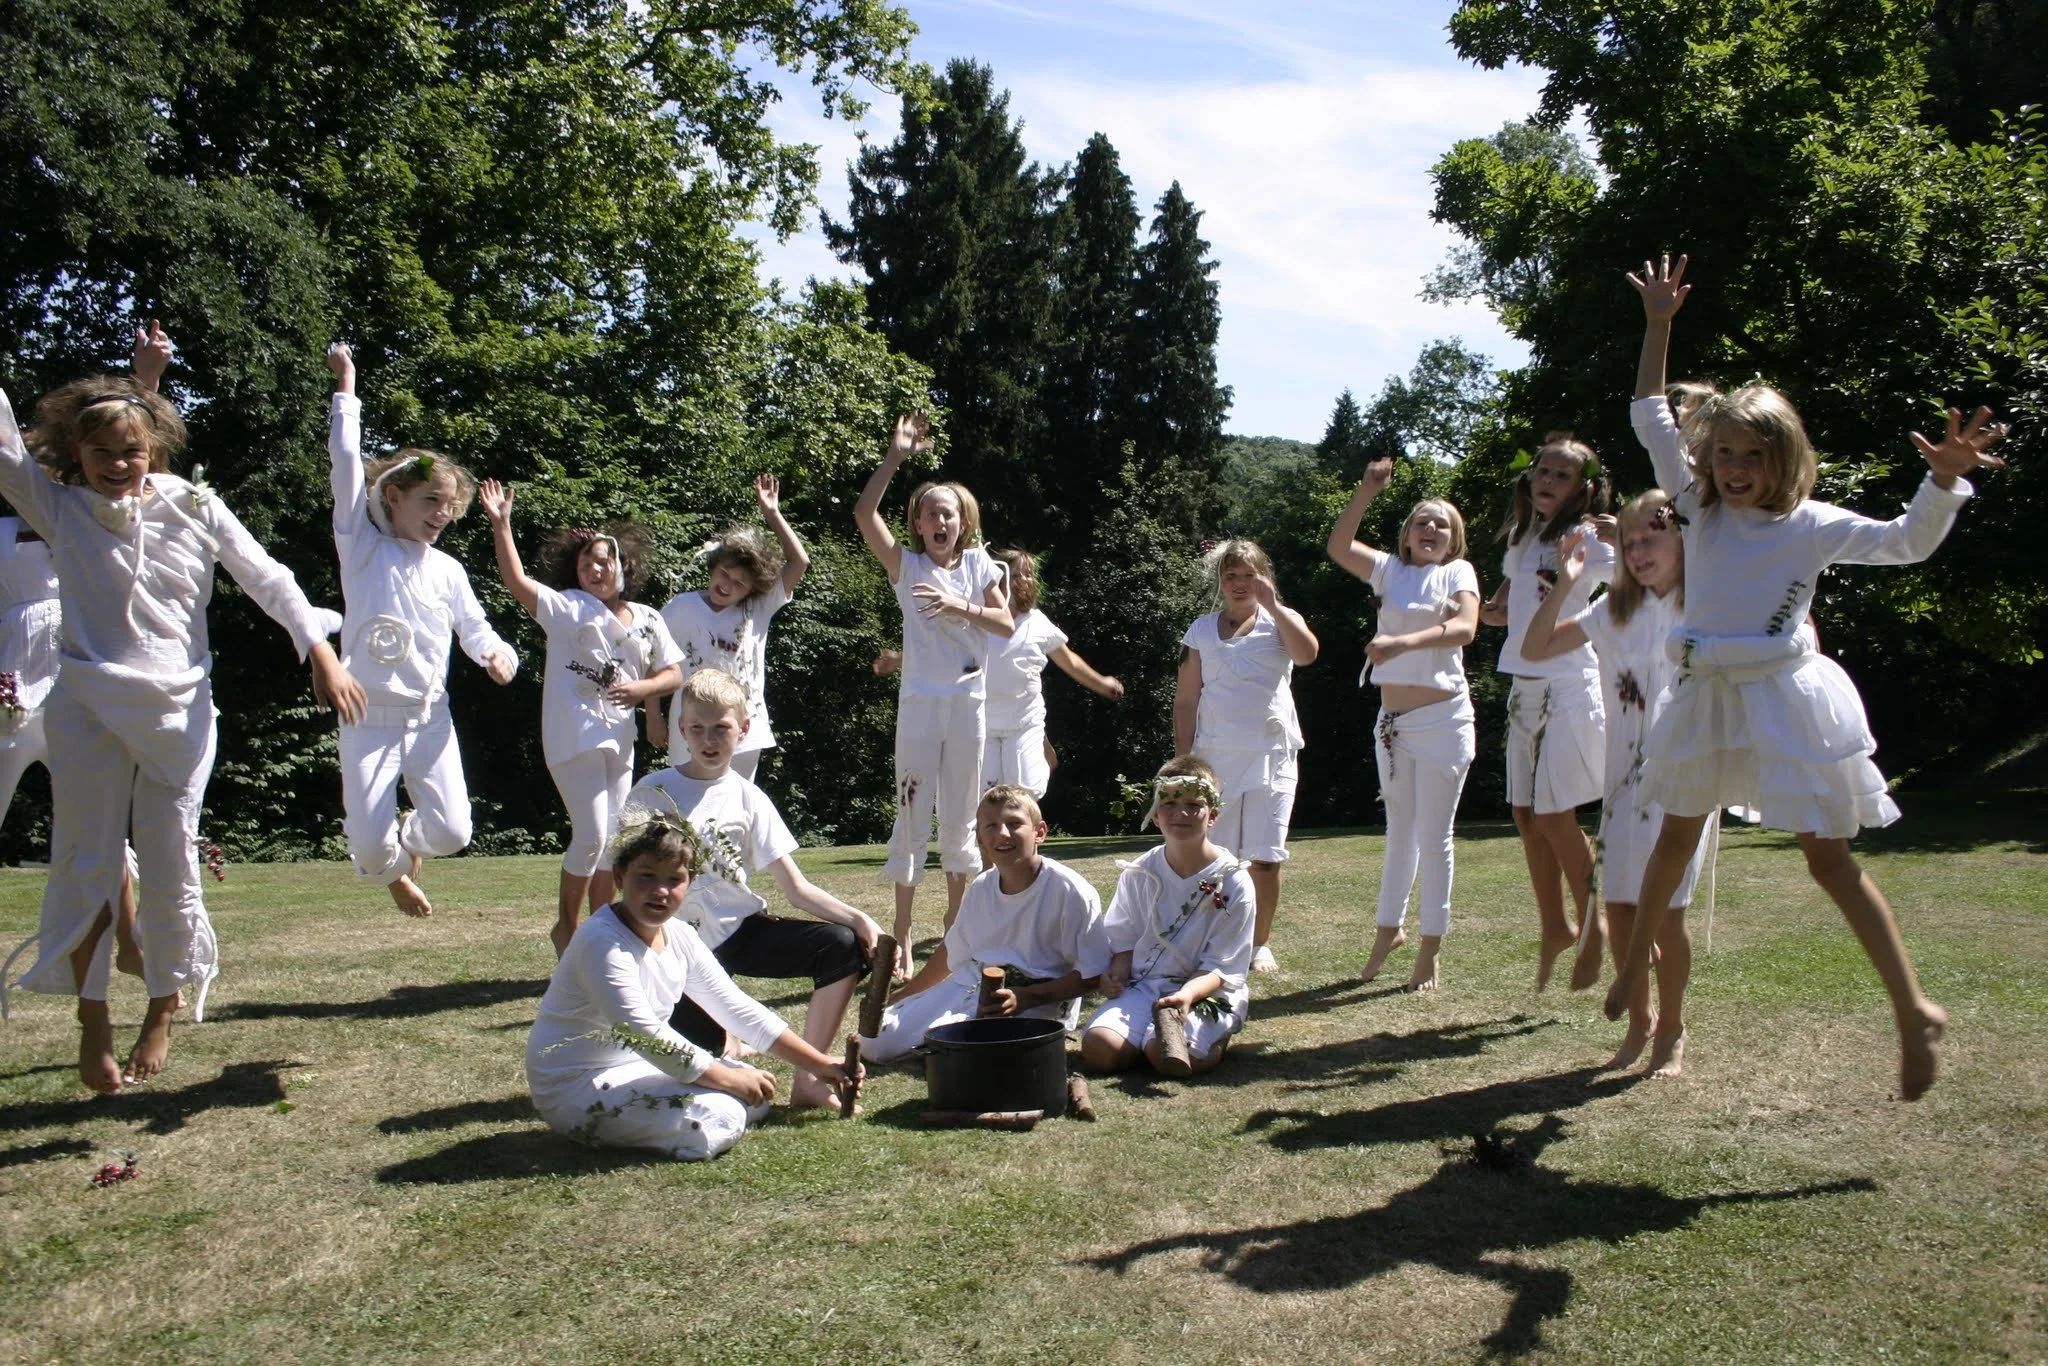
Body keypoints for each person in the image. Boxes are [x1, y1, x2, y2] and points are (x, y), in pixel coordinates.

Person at [1606, 253, 2004, 1099]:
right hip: (1706, 692)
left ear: (1783, 457)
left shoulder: (1812, 524)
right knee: (1671, 837)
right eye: (1723, 453)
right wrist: (1657, 328)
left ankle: (1912, 1008)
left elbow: (1906, 541)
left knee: (1828, 860)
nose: (1735, 467)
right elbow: (1648, 411)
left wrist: (1941, 482)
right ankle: (1632, 971)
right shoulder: (1700, 507)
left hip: (1785, 694)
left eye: (1752, 454)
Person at [0, 366, 361, 1092]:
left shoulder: (196, 505)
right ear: (78, 453)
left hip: (180, 712)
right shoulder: (58, 506)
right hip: (85, 707)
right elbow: (5, 448)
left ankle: (162, 1006)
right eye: (100, 452)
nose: (116, 464)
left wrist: (320, 649)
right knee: (85, 861)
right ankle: (93, 1017)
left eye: (130, 451)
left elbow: (268, 577)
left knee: (169, 865)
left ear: (155, 447)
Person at [525, 815, 862, 1160]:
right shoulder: (601, 942)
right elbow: (642, 1032)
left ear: (690, 883)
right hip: (576, 1086)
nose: (660, 891)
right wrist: (726, 1081)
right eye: (647, 877)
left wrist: (818, 1064)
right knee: (723, 1112)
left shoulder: (680, 934)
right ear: (620, 877)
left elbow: (733, 1007)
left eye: (674, 879)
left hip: (636, 1066)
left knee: (754, 1083)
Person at [1519, 490, 1710, 1071]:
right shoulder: (1610, 613)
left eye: (1652, 536)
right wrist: (1571, 580)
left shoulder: (1705, 604)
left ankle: (1673, 1030)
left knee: (1667, 911)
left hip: (1685, 777)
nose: (1639, 549)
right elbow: (1533, 647)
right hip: (1625, 785)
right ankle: (1641, 1023)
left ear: (1684, 539)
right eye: (1628, 541)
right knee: (1623, 909)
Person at [326, 345, 517, 920]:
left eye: (449, 506)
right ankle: (388, 870)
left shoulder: (448, 569)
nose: (441, 513)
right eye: (430, 500)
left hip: (430, 716)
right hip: (367, 716)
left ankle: (407, 840)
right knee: (365, 845)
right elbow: (345, 462)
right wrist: (347, 388)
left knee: (455, 832)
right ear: (393, 497)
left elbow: (475, 627)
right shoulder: (361, 547)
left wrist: (497, 653)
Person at [636, 668, 882, 1109]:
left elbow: (796, 888)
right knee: (699, 1068)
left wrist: (860, 919)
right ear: (681, 730)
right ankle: (727, 1045)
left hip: (740, 933)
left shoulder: (748, 797)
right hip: (678, 952)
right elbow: (626, 885)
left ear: (744, 729)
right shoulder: (652, 791)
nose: (709, 740)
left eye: (721, 728)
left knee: (841, 946)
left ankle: (810, 1081)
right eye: (697, 728)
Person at [477, 479, 682, 956]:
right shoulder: (568, 607)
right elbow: (516, 581)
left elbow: (673, 672)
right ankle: (567, 929)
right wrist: (501, 523)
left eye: (605, 561)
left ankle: (601, 931)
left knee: (615, 840)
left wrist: (644, 690)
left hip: (620, 738)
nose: (596, 568)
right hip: (574, 737)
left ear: (624, 569)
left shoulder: (649, 617)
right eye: (587, 561)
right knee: (591, 834)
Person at [853, 413, 1013, 962]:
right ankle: (899, 929)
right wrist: (897, 456)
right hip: (920, 705)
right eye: (929, 513)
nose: (939, 520)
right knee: (912, 805)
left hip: (967, 702)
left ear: (962, 522)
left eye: (948, 512)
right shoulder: (907, 565)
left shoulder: (979, 566)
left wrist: (958, 605)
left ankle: (955, 920)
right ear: (918, 525)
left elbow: (1005, 624)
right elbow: (863, 514)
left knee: (963, 811)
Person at [1327, 460, 1481, 992]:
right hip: (1393, 724)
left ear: (1453, 537)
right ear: (1408, 533)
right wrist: (1367, 489)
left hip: (1444, 720)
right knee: (1400, 836)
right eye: (1422, 521)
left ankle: (1429, 950)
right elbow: (1339, 546)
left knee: (1435, 838)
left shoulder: (1457, 574)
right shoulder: (1389, 570)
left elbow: (1464, 628)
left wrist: (1400, 644)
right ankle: (1387, 933)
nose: (1431, 529)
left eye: (1442, 524)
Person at [1479, 434, 1615, 988]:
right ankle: (1555, 924)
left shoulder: (1590, 537)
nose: (1547, 480)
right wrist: (1495, 610)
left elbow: (1647, 580)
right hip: (1524, 688)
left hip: (1570, 685)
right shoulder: (1524, 534)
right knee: (1525, 815)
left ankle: (1595, 923)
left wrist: (1627, 533)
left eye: (1562, 474)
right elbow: (1508, 606)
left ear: (1584, 488)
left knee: (1556, 815)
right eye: (1543, 470)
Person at [860, 783, 1107, 1064]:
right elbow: (951, 955)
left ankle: (944, 1048)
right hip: (971, 985)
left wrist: (1027, 997)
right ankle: (937, 1045)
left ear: (1039, 832)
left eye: (1014, 824)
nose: (1002, 833)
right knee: (874, 1044)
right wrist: (903, 996)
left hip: (1039, 1002)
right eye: (991, 826)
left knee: (970, 1050)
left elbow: (1093, 974)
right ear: (979, 837)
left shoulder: (1071, 891)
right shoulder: (982, 887)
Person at [1175, 539, 1317, 973]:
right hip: (1213, 759)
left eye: (1249, 575)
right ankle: (1211, 939)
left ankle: (1258, 944)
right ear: (1220, 581)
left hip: (1272, 756)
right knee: (1211, 856)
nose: (1239, 584)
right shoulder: (1200, 629)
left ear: (1265, 577)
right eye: (1231, 575)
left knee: (1266, 856)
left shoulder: (1281, 623)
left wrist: (1275, 606)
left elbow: (1308, 654)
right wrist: (1183, 763)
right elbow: (1185, 699)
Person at [882, 547, 1124, 797]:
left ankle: (1037, 746)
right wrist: (899, 660)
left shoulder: (1038, 623)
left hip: (1024, 722)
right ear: (1000, 579)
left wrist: (1102, 683)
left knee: (1025, 791)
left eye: (1029, 575)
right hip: (983, 724)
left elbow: (1070, 662)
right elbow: (942, 649)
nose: (1024, 580)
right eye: (1017, 575)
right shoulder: (981, 619)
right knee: (988, 796)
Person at [1082, 756, 1256, 1077]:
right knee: (1098, 1049)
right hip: (1146, 987)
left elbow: (1224, 965)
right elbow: (1122, 938)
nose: (1181, 813)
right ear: (1156, 815)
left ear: (1213, 814)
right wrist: (1117, 973)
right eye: (1170, 803)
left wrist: (1186, 995)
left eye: (1194, 804)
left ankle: (1215, 1036)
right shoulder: (1139, 873)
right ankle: (1141, 1038)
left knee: (1165, 1055)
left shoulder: (1233, 879)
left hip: (1207, 990)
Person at [652, 475, 808, 782]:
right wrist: (653, 716)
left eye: (739, 584)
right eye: (724, 574)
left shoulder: (756, 609)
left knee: (735, 809)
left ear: (750, 590)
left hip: (744, 728)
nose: (727, 586)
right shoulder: (682, 607)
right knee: (688, 808)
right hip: (690, 727)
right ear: (713, 567)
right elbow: (653, 658)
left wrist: (772, 513)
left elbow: (799, 562)